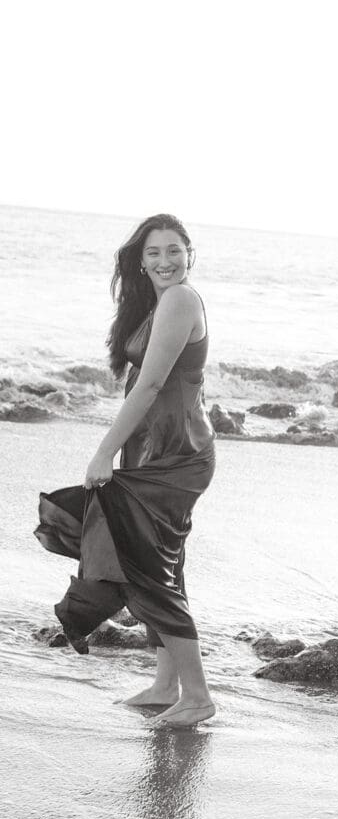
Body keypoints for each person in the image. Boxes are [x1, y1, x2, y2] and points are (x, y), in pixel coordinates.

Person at [35, 213, 216, 728]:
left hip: (175, 457)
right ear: (140, 260)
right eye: (154, 252)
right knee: (162, 565)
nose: (165, 261)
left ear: (190, 253)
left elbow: (154, 385)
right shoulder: (160, 303)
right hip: (157, 451)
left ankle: (198, 696)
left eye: (174, 250)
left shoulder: (181, 299)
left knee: (148, 571)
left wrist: (103, 452)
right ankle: (166, 686)